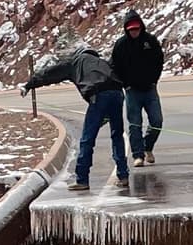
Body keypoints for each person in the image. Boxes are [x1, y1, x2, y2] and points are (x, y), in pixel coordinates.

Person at [22, 46, 128, 192]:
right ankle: (123, 176)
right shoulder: (102, 62)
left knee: (87, 139)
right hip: (117, 93)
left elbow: (50, 74)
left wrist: (29, 84)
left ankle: (82, 179)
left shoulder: (75, 61)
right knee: (117, 135)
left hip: (98, 96)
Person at [108, 10, 165, 167]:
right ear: (127, 29)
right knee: (135, 124)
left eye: (137, 29)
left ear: (141, 27)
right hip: (132, 90)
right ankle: (137, 155)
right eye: (131, 29)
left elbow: (159, 60)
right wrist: (124, 84)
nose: (134, 32)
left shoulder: (150, 41)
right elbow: (114, 67)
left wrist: (154, 79)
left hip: (150, 89)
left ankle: (148, 146)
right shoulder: (120, 45)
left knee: (157, 121)